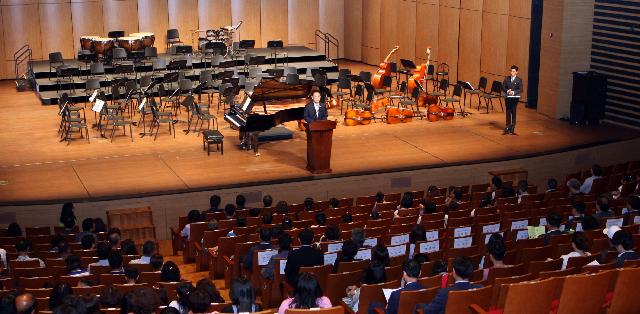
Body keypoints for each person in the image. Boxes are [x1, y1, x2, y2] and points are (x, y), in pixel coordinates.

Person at [501, 65, 522, 135]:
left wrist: (513, 92)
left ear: (516, 72)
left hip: (514, 99)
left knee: (513, 112)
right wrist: (507, 91)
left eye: (513, 71)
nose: (511, 72)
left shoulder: (519, 80)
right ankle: (507, 127)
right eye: (511, 71)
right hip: (507, 98)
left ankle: (512, 127)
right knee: (508, 112)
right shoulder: (507, 78)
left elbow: (521, 89)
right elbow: (503, 86)